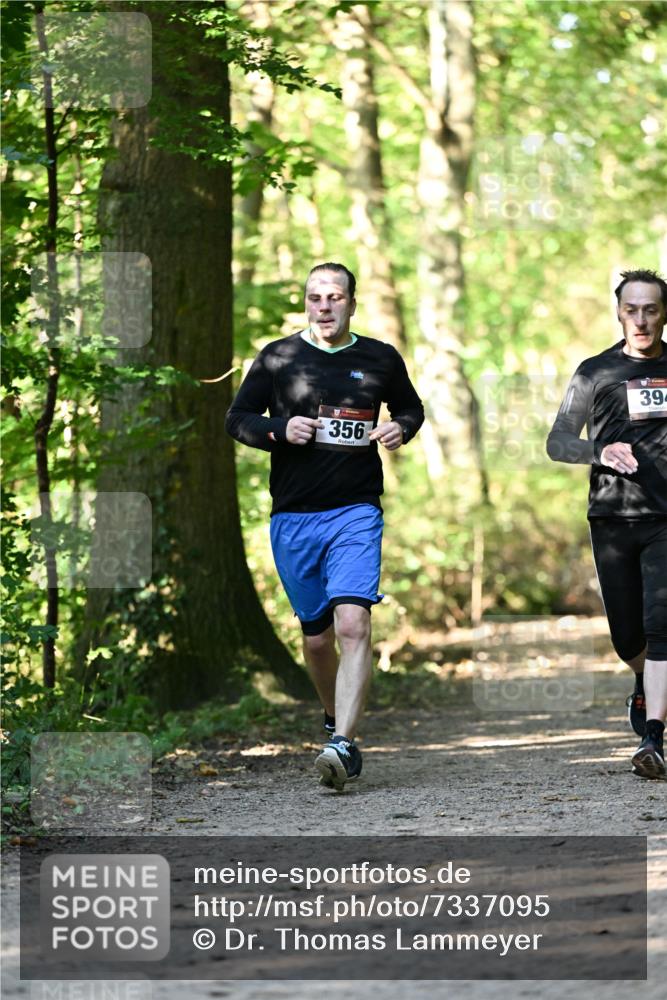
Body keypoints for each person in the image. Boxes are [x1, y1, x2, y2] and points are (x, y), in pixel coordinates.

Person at [225, 263, 424, 790]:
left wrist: (400, 427)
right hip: (294, 516)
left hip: (356, 510)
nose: (325, 306)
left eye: (336, 297)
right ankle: (335, 720)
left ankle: (344, 744)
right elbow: (236, 417)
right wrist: (276, 428)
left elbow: (411, 407)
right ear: (306, 303)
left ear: (352, 303)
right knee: (316, 641)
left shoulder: (379, 357)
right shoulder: (278, 357)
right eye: (316, 297)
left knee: (353, 623)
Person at [547, 268, 667, 778]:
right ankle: (643, 685)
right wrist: (599, 450)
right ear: (619, 312)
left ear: (664, 314)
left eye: (651, 309)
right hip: (613, 517)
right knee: (628, 636)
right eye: (631, 309)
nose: (641, 319)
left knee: (663, 625)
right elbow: (558, 441)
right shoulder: (594, 371)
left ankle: (653, 737)